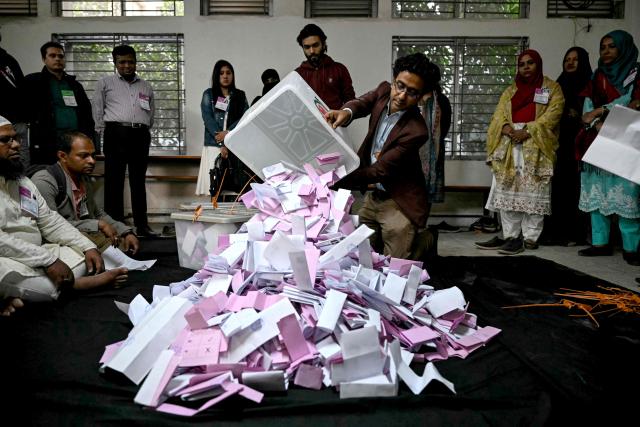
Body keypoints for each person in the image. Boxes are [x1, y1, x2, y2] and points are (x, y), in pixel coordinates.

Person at [0, 115, 128, 315]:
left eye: (15, 138)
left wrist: (87, 247)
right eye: (5, 140)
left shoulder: (22, 182)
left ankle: (29, 292)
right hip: (7, 258)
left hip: (37, 252)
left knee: (85, 254)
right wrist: (47, 260)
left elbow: (50, 220)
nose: (16, 144)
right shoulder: (44, 178)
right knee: (46, 287)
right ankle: (76, 285)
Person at [325, 53, 434, 260]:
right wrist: (346, 112)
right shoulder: (384, 91)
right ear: (393, 82)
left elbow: (380, 170)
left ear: (420, 96)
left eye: (411, 92)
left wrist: (336, 179)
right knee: (360, 254)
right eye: (400, 86)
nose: (402, 95)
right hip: (373, 195)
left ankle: (424, 240)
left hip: (399, 201)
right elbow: (362, 103)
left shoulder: (416, 130)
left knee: (395, 266)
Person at [478, 49, 564, 255]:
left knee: (534, 191)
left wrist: (528, 131)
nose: (525, 67)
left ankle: (531, 237)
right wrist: (508, 129)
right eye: (522, 64)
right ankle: (510, 236)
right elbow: (499, 115)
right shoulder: (510, 90)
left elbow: (555, 113)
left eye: (530, 63)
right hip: (510, 145)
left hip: (536, 144)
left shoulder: (552, 88)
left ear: (538, 64)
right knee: (508, 189)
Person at [577, 30, 640, 265]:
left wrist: (603, 111)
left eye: (612, 46)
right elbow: (587, 108)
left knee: (626, 194)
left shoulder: (636, 74)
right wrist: (596, 122)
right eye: (603, 47)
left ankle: (631, 248)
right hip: (598, 137)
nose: (606, 51)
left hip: (626, 140)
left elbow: (633, 102)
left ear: (624, 48)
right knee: (597, 190)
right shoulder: (597, 76)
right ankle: (600, 243)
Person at [31, 131, 140, 255]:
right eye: (84, 156)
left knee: (121, 242)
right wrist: (97, 225)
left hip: (80, 233)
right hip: (54, 242)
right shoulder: (44, 181)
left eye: (93, 156)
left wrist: (126, 232)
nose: (92, 161)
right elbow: (50, 227)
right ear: (63, 156)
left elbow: (97, 214)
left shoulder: (83, 178)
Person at [92, 45, 156, 237]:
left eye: (130, 61)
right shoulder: (105, 83)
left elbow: (150, 114)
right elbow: (97, 109)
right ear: (115, 63)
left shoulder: (145, 86)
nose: (127, 66)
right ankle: (117, 227)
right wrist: (101, 132)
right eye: (122, 62)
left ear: (136, 62)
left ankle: (142, 226)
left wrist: (142, 128)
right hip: (115, 133)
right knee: (114, 182)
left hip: (140, 135)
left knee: (138, 182)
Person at [540, 47, 592, 246]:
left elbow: (588, 113)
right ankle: (554, 232)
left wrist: (577, 117)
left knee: (575, 189)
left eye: (575, 59)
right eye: (567, 59)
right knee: (557, 189)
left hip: (580, 145)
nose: (570, 63)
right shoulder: (555, 85)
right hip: (557, 144)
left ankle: (574, 234)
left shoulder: (590, 84)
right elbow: (541, 111)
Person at [25, 41, 94, 165]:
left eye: (61, 56)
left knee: (73, 177)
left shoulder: (74, 84)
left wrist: (88, 137)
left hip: (74, 141)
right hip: (47, 141)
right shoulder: (33, 82)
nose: (57, 59)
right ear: (43, 59)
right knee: (48, 176)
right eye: (52, 56)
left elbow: (86, 113)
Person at [195, 59, 249, 197]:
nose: (225, 76)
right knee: (213, 188)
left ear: (233, 75)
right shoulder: (209, 94)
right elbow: (208, 119)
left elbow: (245, 118)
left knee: (232, 188)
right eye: (221, 73)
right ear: (216, 76)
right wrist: (221, 142)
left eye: (228, 73)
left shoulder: (240, 95)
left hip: (234, 146)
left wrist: (228, 133)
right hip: (214, 145)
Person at [418, 61, 453, 231]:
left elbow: (444, 129)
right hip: (409, 154)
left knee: (426, 196)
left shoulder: (442, 102)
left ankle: (421, 226)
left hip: (434, 155)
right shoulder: (411, 98)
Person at [295, 24, 355, 110]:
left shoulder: (339, 70)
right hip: (306, 123)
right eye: (307, 47)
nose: (312, 51)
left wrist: (343, 118)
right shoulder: (297, 75)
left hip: (334, 123)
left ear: (323, 44)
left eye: (315, 45)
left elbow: (350, 102)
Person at [0, 33, 29, 167]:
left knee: (18, 160)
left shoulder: (8, 61)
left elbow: (22, 89)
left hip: (14, 121)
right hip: (16, 119)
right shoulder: (10, 60)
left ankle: (22, 187)